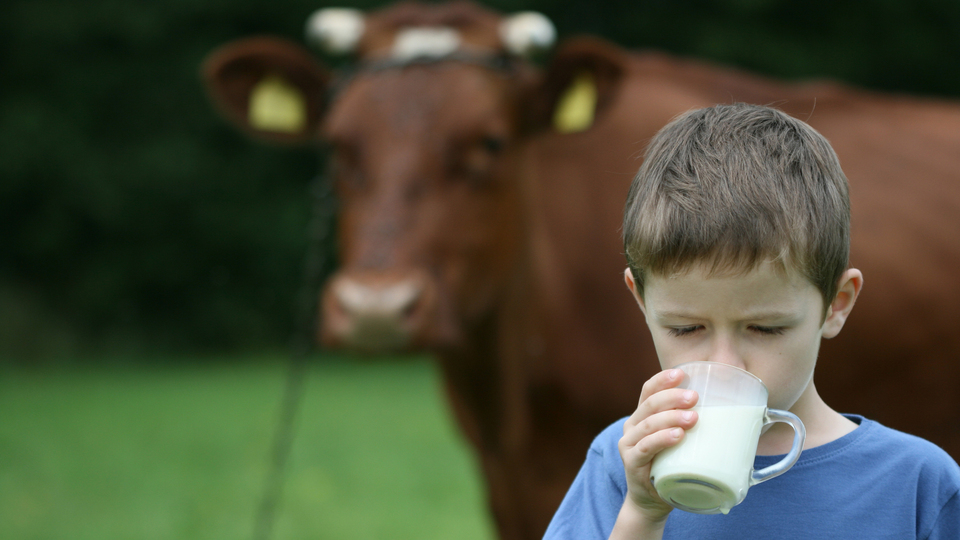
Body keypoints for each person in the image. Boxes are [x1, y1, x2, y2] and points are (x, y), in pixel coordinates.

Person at [543, 103, 960, 539]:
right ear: (643, 303)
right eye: (686, 328)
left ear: (837, 304)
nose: (727, 363)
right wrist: (641, 515)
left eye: (765, 328)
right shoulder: (625, 462)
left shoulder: (915, 484)